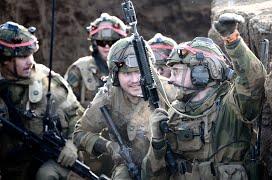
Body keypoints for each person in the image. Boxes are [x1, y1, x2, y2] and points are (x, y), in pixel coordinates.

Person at [142, 13, 266, 180]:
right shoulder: (175, 114)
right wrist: (157, 142)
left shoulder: (231, 105)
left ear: (201, 73)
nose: (170, 79)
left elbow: (254, 81)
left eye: (177, 72)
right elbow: (151, 177)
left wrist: (232, 39)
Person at [0, 21, 83, 180]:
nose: (30, 61)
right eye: (23, 56)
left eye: (31, 54)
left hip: (46, 166)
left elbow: (77, 115)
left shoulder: (47, 80)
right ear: (4, 59)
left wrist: (72, 144)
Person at [73, 36, 159, 179]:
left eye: (138, 72)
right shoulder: (109, 95)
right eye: (126, 73)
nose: (134, 80)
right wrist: (109, 147)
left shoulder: (168, 91)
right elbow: (80, 133)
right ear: (115, 75)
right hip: (131, 166)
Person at [64, 13, 128, 108]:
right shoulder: (80, 68)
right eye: (101, 42)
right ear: (94, 43)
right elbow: (65, 103)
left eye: (112, 42)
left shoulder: (131, 68)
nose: (107, 46)